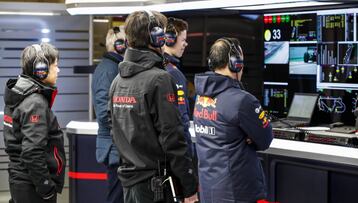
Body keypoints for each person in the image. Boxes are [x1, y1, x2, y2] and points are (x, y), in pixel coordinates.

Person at [108, 10, 198, 203]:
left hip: (129, 182)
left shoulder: (117, 81)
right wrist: (189, 186)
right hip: (157, 186)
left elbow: (114, 131)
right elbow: (173, 138)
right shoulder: (160, 79)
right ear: (156, 37)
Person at [193, 37, 273, 203]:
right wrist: (247, 137)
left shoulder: (200, 97)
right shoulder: (243, 101)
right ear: (235, 63)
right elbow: (265, 140)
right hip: (238, 191)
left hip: (209, 189)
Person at [3, 43, 66, 203]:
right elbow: (32, 151)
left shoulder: (19, 94)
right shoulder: (35, 103)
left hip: (21, 181)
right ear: (41, 69)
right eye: (55, 66)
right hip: (33, 187)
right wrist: (46, 189)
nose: (58, 70)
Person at [92, 27, 126, 203]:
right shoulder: (109, 70)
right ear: (119, 45)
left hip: (116, 146)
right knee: (116, 196)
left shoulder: (113, 67)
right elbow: (105, 113)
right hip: (115, 147)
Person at [163, 17, 193, 156]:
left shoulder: (155, 66)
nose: (186, 44)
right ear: (169, 39)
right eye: (183, 40)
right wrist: (188, 153)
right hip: (177, 151)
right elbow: (182, 119)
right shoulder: (174, 73)